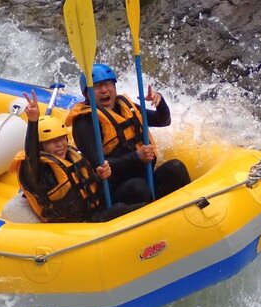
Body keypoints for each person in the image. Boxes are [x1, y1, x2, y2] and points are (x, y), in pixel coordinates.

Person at [10, 90, 143, 223]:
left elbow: (90, 189)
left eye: (62, 139)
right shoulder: (38, 170)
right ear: (40, 147)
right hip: (73, 225)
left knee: (136, 188)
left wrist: (100, 176)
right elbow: (30, 155)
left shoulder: (72, 156)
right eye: (52, 142)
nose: (60, 145)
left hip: (93, 212)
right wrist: (33, 121)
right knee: (119, 209)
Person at [66, 63, 190, 203]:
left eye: (108, 84)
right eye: (96, 86)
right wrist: (136, 156)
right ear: (85, 94)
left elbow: (163, 120)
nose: (104, 90)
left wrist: (160, 102)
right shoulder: (85, 123)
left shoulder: (125, 106)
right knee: (138, 187)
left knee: (175, 168)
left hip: (145, 175)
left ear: (114, 86)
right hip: (115, 191)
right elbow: (98, 166)